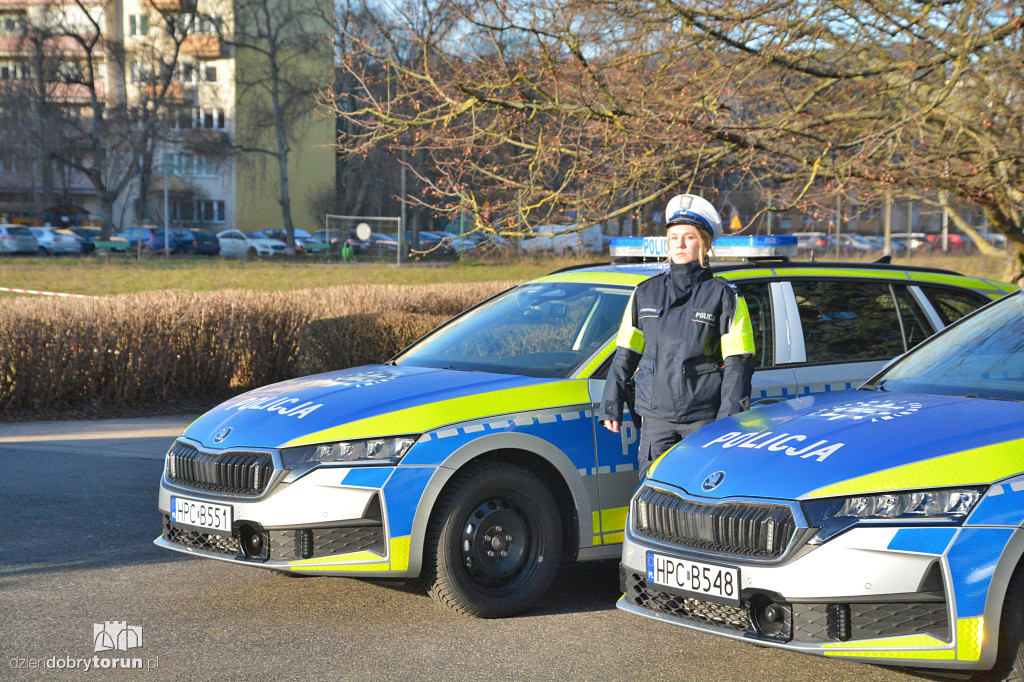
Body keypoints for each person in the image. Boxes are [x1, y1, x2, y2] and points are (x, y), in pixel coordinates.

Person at [599, 193, 755, 475]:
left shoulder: (724, 296)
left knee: (700, 498)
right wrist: (611, 402)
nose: (680, 244)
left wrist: (727, 422)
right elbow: (625, 354)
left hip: (703, 420)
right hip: (655, 420)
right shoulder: (645, 293)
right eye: (673, 237)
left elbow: (738, 364)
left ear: (704, 244)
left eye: (689, 237)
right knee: (653, 495)